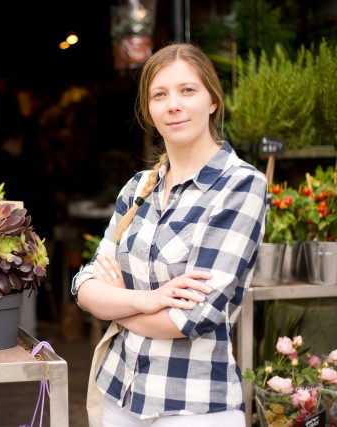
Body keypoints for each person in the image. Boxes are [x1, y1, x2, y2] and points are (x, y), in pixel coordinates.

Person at [71, 43, 268, 426]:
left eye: (187, 91)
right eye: (159, 95)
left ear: (213, 100)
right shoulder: (138, 188)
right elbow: (84, 285)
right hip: (119, 396)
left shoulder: (240, 186)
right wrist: (150, 300)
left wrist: (118, 303)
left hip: (191, 406)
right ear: (149, 110)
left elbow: (191, 317)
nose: (173, 105)